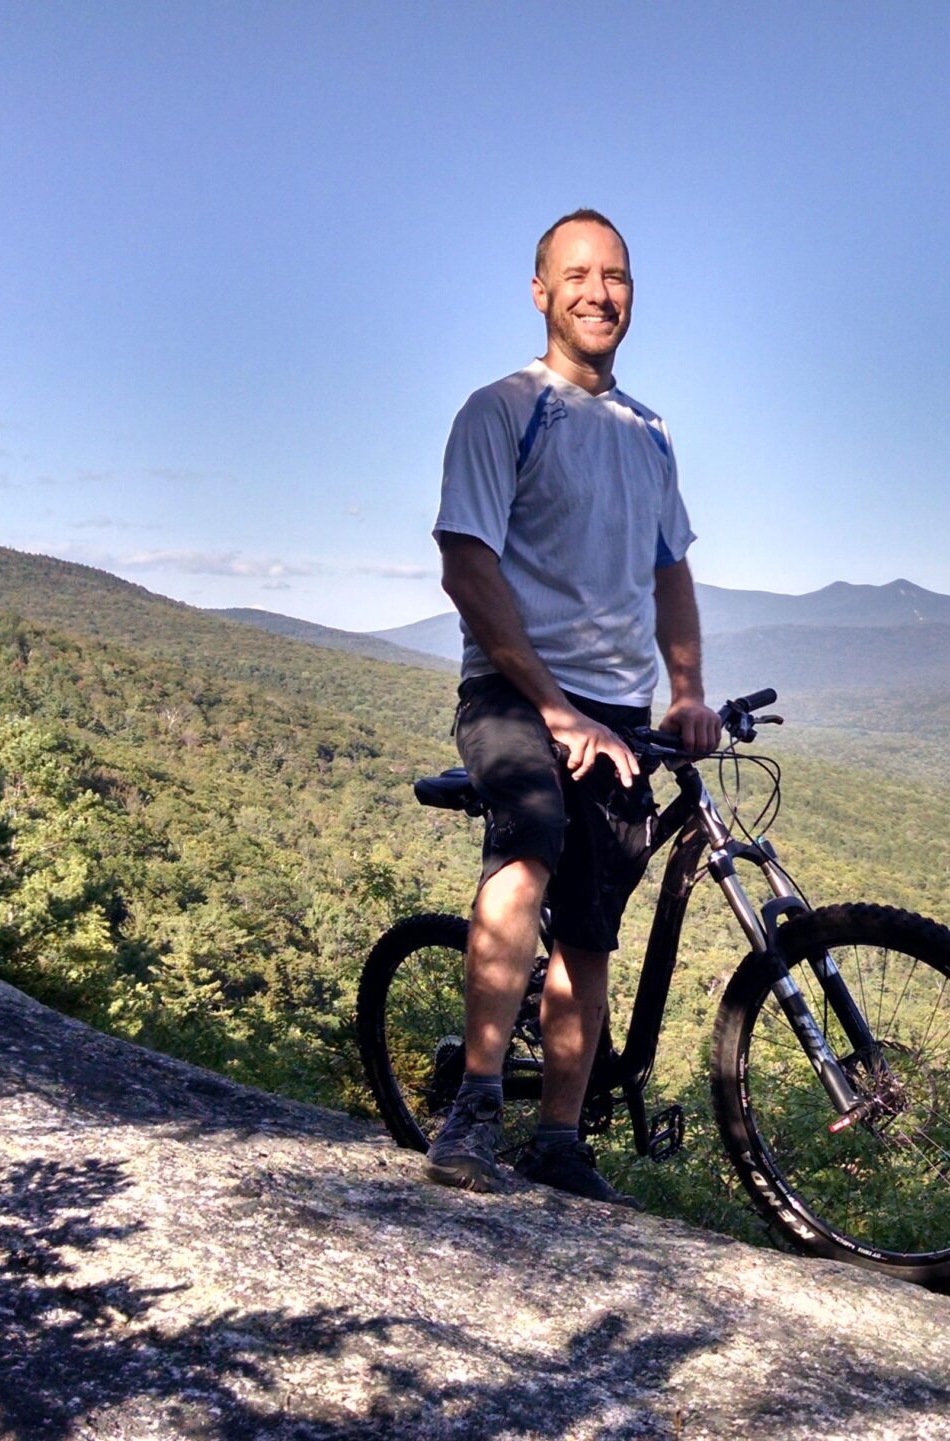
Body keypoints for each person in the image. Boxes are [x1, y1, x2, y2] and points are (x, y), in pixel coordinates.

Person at [422, 209, 723, 1205]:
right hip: (513, 691)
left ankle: (558, 1139)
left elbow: (670, 569)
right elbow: (467, 562)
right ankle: (470, 1106)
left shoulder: (649, 432)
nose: (601, 291)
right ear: (542, 291)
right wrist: (552, 707)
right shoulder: (504, 409)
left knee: (590, 924)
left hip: (619, 708)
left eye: (618, 276)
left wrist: (684, 693)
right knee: (531, 844)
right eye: (579, 274)